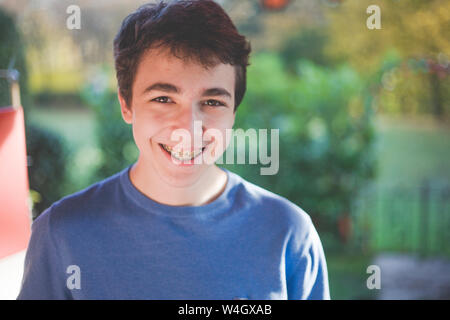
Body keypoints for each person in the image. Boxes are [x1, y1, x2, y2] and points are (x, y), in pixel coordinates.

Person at [17, 0, 330, 300]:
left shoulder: (288, 234)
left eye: (212, 102)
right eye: (164, 99)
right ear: (126, 105)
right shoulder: (62, 233)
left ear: (233, 112)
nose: (188, 127)